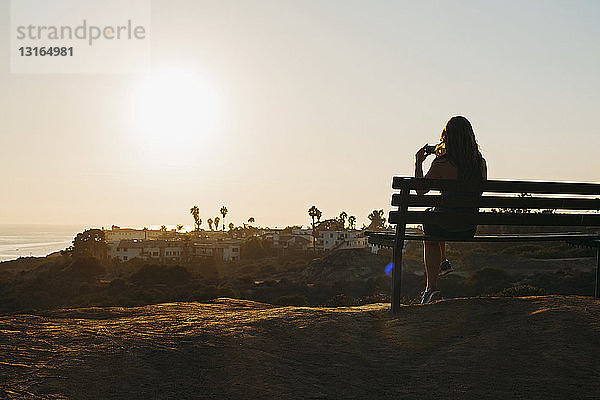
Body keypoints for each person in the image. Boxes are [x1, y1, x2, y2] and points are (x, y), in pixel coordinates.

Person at [415, 116, 487, 304]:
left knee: (432, 228)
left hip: (444, 225)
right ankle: (444, 263)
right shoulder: (480, 163)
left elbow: (420, 191)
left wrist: (418, 163)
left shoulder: (441, 164)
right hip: (468, 226)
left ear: (447, 137)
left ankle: (431, 288)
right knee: (440, 216)